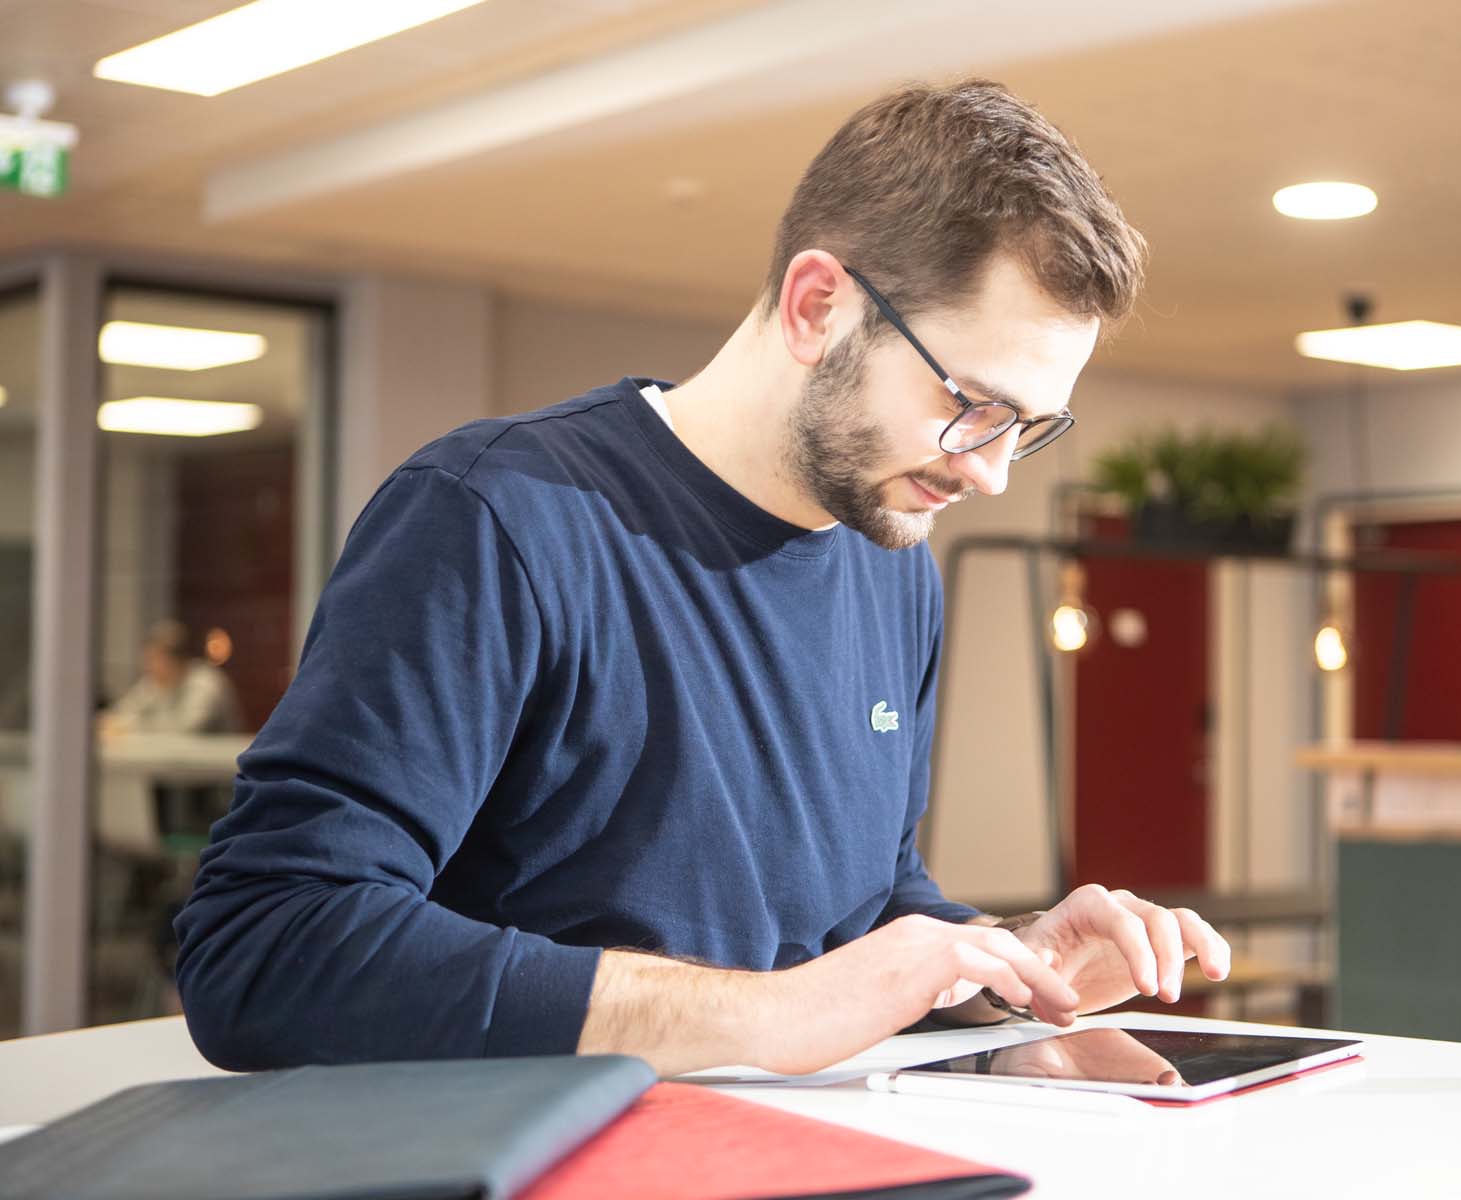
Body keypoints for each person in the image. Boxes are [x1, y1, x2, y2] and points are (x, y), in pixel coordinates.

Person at [176, 80, 1232, 1076]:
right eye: (974, 404)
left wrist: (998, 968)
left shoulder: (891, 561)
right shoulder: (499, 515)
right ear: (818, 306)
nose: (992, 471)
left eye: (1030, 429)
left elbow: (866, 902)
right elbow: (266, 945)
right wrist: (767, 1015)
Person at [100, 619, 240, 737]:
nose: (148, 666)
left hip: (218, 766)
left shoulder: (207, 681)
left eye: (154, 659)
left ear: (177, 660)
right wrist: (115, 722)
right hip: (178, 762)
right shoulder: (153, 682)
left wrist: (129, 727)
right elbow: (121, 713)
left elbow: (187, 729)